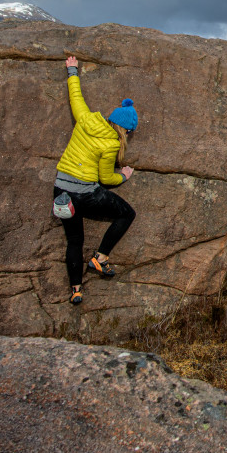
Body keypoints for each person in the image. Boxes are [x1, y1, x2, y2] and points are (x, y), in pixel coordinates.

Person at [53, 55, 137, 305]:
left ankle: (76, 289)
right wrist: (123, 175)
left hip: (61, 191)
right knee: (127, 213)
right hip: (85, 194)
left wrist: (72, 71)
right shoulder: (111, 143)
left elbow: (75, 98)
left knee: (74, 240)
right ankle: (99, 258)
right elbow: (105, 178)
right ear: (125, 130)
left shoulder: (86, 118)